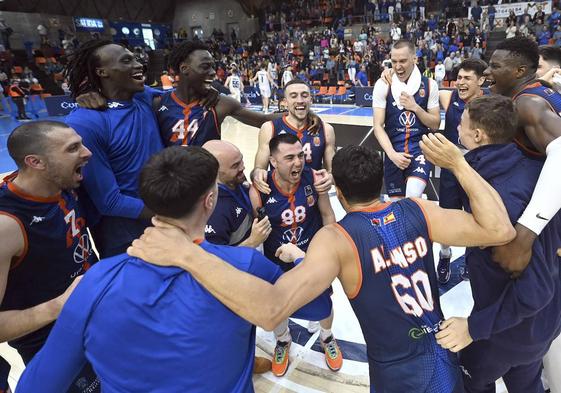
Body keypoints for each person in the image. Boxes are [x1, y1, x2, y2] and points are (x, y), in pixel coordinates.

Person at [127, 136, 516, 392]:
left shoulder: (334, 240)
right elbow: (500, 230)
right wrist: (460, 165)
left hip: (395, 366)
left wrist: (185, 252)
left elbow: (270, 308)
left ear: (340, 193)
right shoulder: (417, 209)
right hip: (441, 350)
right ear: (381, 180)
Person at [16, 146, 332, 393]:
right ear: (210, 200)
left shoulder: (97, 279)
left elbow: (37, 385)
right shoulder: (245, 264)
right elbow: (320, 304)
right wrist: (299, 258)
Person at [435, 95, 561, 393]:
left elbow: (534, 292)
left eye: (461, 125)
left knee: (469, 379)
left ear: (477, 135)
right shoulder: (537, 170)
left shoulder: (501, 196)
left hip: (511, 329)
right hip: (539, 326)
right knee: (526, 382)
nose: (457, 130)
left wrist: (473, 328)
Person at [484, 36, 561, 392]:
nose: (489, 71)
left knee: (534, 318)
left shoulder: (528, 103)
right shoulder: (540, 94)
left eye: (496, 66)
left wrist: (526, 234)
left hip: (545, 233)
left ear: (519, 70)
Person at [0, 121, 99, 392]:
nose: (87, 153)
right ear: (36, 162)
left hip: (98, 321)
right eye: (73, 148)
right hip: (55, 345)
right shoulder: (6, 224)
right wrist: (60, 305)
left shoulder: (63, 182)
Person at [248, 133, 342, 376]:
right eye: (289, 157)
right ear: (273, 161)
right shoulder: (260, 190)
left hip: (311, 255)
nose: (298, 162)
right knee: (278, 304)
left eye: (300, 155)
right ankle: (283, 341)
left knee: (325, 301)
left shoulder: (314, 178)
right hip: (276, 261)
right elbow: (257, 233)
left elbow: (327, 214)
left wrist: (333, 253)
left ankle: (327, 337)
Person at [63, 40, 165, 258]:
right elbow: (109, 202)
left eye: (136, 58)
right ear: (102, 71)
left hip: (161, 215)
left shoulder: (142, 96)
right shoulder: (85, 122)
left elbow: (182, 96)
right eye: (127, 61)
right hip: (124, 232)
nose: (138, 64)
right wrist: (172, 212)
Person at [155, 41, 319, 147]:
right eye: (205, 67)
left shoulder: (220, 103)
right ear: (184, 69)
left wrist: (300, 113)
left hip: (205, 186)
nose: (213, 72)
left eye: (213, 66)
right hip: (169, 188)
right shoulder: (157, 103)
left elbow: (261, 120)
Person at [436, 59, 487, 284]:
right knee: (447, 214)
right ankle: (444, 255)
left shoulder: (491, 103)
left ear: (481, 81)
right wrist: (388, 76)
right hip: (450, 164)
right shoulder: (449, 97)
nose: (461, 82)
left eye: (467, 78)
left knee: (474, 214)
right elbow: (423, 87)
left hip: (478, 166)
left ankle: (470, 257)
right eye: (459, 78)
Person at [372, 39, 440, 199]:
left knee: (412, 196)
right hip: (393, 154)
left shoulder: (429, 85)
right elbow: (377, 125)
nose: (397, 66)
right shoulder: (383, 84)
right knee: (397, 207)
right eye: (394, 61)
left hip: (420, 151)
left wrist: (415, 107)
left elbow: (435, 124)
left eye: (403, 61)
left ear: (414, 59)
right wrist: (392, 154)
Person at [251, 79, 336, 195]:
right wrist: (257, 175)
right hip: (280, 199)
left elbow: (333, 171)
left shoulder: (326, 130)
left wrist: (330, 178)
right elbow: (259, 168)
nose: (300, 100)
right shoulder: (269, 128)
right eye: (294, 96)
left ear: (311, 100)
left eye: (304, 96)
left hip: (314, 198)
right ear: (285, 102)